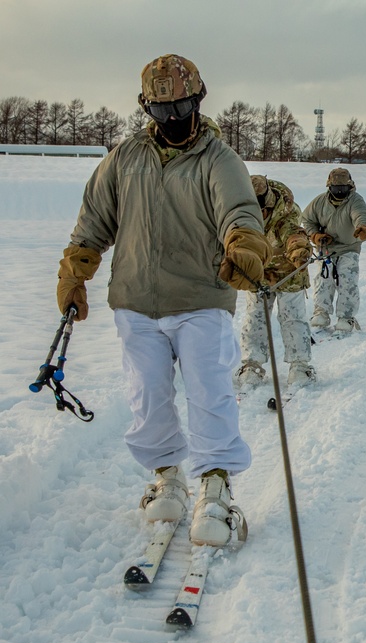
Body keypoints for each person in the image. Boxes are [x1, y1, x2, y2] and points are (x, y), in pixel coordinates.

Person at [55, 54, 271, 547]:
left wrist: (243, 244)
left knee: (209, 392)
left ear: (198, 100)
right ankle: (167, 478)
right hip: (136, 299)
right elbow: (93, 222)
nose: (173, 120)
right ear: (147, 108)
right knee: (147, 396)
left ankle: (215, 489)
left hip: (199, 298)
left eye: (182, 108)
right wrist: (76, 272)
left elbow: (239, 211)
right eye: (161, 111)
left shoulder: (220, 160)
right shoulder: (125, 157)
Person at [235, 175, 315, 388]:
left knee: (292, 318)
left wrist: (299, 251)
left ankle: (300, 365)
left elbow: (293, 234)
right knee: (255, 317)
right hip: (258, 272)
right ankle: (252, 364)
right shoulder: (238, 211)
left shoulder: (284, 212)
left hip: (289, 269)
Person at [302, 168, 366, 334]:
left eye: (343, 188)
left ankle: (346, 316)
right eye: (336, 189)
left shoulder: (355, 200)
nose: (339, 192)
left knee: (347, 279)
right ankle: (321, 313)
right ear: (329, 187)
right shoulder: (319, 202)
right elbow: (307, 220)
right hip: (326, 248)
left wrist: (363, 227)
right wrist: (315, 235)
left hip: (349, 247)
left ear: (349, 186)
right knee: (323, 280)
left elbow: (361, 215)